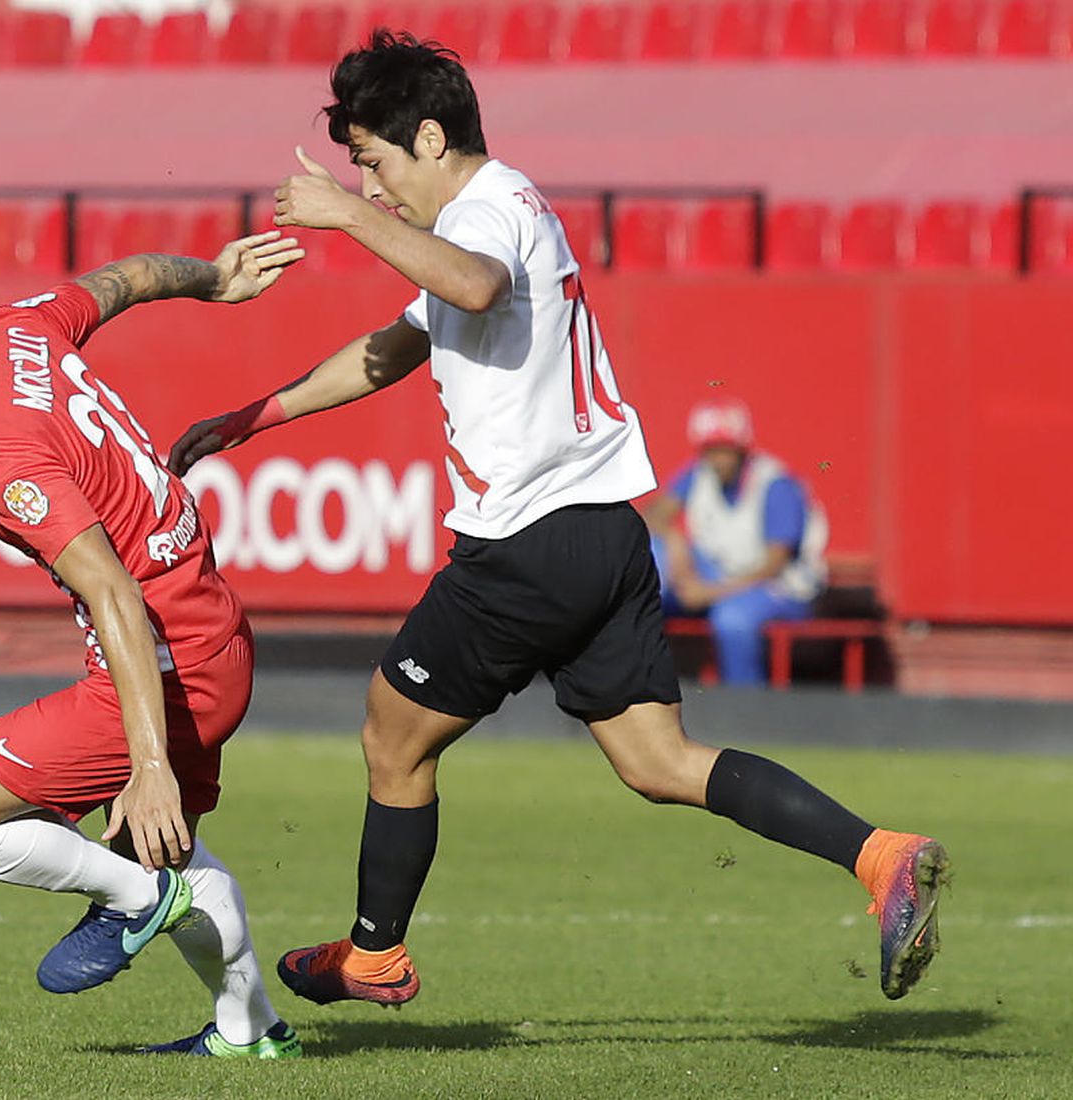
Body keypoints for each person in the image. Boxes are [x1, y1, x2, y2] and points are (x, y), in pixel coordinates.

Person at [168, 31, 947, 1012]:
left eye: (372, 164)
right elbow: (393, 344)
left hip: (526, 543)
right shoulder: (484, 218)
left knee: (390, 734)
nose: (370, 188)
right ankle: (879, 855)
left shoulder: (491, 212)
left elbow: (474, 284)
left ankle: (374, 953)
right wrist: (256, 415)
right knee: (658, 761)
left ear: (429, 137)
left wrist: (339, 219)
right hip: (603, 536)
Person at [0, 233, 305, 1058]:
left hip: (168, 662)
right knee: (168, 847)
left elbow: (114, 592)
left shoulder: (0, 451)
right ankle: (252, 1031)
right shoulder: (21, 325)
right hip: (215, 635)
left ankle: (135, 900)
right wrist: (214, 279)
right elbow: (123, 280)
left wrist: (148, 764)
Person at [644, 396, 830, 686]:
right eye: (709, 450)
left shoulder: (773, 483)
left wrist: (708, 593)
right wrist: (675, 539)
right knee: (654, 555)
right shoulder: (698, 473)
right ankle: (641, 689)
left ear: (742, 449)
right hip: (720, 577)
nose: (717, 460)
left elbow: (774, 565)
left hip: (781, 588)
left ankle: (745, 710)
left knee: (732, 619)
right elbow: (653, 515)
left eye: (724, 450)